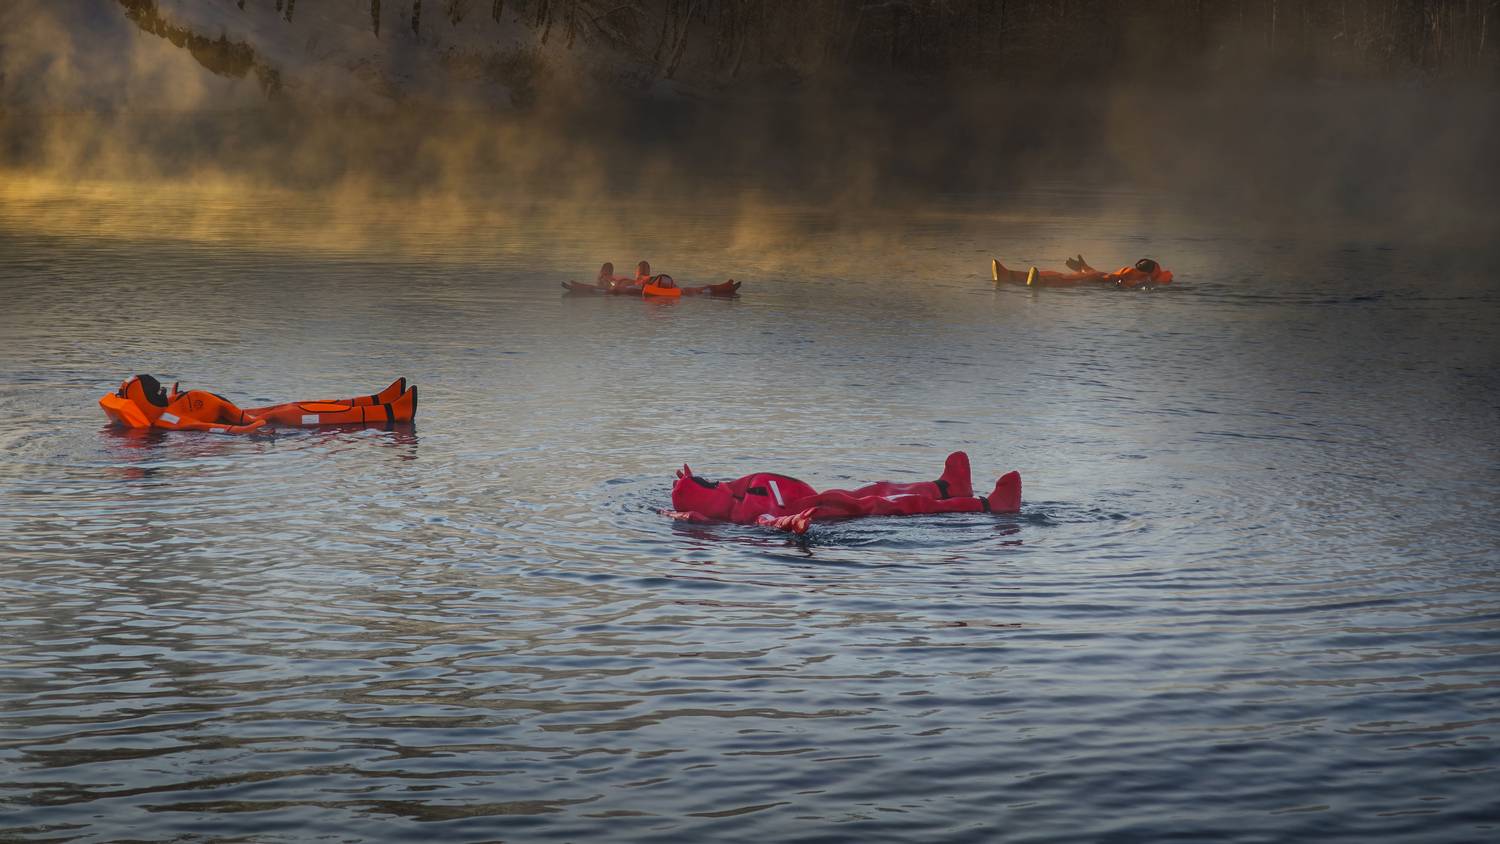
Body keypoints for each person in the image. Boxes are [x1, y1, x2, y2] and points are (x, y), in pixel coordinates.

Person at [664, 451, 1021, 534]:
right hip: (822, 510)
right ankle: (990, 505)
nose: (713, 483)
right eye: (706, 486)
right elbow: (769, 521)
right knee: (883, 502)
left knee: (877, 488)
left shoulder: (730, 496)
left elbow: (685, 510)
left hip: (810, 498)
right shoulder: (742, 514)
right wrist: (795, 522)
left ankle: (947, 486)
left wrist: (687, 488)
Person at [99, 374, 416, 433]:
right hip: (241, 418)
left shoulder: (166, 407)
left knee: (295, 404)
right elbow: (204, 427)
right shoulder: (167, 421)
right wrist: (247, 429)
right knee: (289, 414)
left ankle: (378, 400)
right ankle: (388, 411)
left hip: (238, 412)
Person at [992, 255, 1173, 288]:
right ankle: (1009, 274)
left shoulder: (1145, 279)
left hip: (1099, 282)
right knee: (1057, 274)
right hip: (1097, 277)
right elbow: (1101, 272)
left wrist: (1121, 284)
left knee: (1065, 280)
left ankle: (1039, 282)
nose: (1138, 266)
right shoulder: (1132, 271)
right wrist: (1083, 266)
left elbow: (1130, 285)